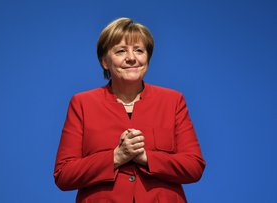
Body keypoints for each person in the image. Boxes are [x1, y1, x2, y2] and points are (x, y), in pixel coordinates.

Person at [54, 17, 206, 203]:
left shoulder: (172, 101)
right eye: (121, 51)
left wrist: (146, 157)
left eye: (139, 50)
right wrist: (116, 157)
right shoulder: (82, 103)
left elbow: (194, 167)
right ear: (104, 61)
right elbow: (64, 174)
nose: (132, 58)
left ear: (147, 58)